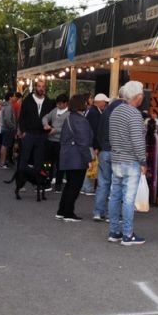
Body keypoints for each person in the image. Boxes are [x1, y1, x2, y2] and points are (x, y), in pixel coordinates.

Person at [107, 81, 147, 245]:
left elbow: (110, 136)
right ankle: (128, 234)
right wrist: (143, 161)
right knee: (128, 199)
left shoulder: (115, 112)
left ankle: (114, 231)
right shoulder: (134, 114)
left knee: (115, 196)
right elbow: (138, 142)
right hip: (130, 161)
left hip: (116, 159)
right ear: (138, 97)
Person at [56, 94, 93, 222]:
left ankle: (62, 211)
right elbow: (83, 143)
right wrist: (88, 159)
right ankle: (68, 213)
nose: (88, 103)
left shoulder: (68, 118)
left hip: (67, 155)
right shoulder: (81, 120)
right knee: (74, 186)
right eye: (86, 101)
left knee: (69, 185)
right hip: (77, 157)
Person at [93, 94, 123, 222]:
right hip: (117, 152)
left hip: (104, 151)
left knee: (103, 183)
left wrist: (99, 147)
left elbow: (98, 132)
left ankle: (98, 212)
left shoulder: (105, 112)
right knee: (117, 184)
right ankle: (112, 214)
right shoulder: (123, 112)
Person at [17, 80, 54, 172]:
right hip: (29, 133)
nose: (41, 88)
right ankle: (20, 178)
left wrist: (49, 130)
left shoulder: (48, 101)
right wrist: (23, 131)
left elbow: (51, 117)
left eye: (43, 87)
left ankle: (37, 181)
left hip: (42, 135)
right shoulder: (28, 100)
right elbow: (22, 117)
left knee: (39, 159)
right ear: (35, 87)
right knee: (24, 157)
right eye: (39, 86)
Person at [80, 93, 109, 196]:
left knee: (89, 164)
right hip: (92, 143)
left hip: (87, 142)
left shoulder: (90, 111)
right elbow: (96, 131)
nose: (105, 104)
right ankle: (88, 187)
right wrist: (96, 146)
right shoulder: (95, 113)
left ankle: (85, 186)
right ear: (100, 102)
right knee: (91, 165)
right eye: (104, 102)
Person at [41, 93, 70, 193]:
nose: (58, 106)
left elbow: (67, 128)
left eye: (60, 104)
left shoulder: (69, 114)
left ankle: (58, 184)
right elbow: (45, 117)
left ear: (66, 103)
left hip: (60, 142)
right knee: (48, 163)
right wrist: (45, 124)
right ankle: (47, 181)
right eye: (57, 104)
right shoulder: (54, 110)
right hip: (50, 141)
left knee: (60, 164)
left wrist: (55, 130)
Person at [0, 92, 17, 169]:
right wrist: (13, 127)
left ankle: (2, 162)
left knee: (4, 145)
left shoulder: (5, 106)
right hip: (8, 129)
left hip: (5, 128)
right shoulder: (8, 106)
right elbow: (7, 119)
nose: (15, 98)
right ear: (10, 98)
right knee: (5, 146)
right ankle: (2, 162)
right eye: (14, 96)